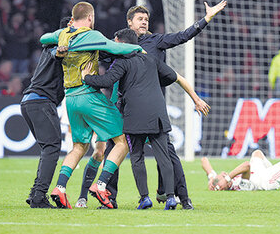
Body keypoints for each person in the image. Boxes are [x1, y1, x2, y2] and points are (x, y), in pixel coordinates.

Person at [103, 0, 226, 209]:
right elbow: (100, 53)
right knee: (112, 149)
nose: (144, 22)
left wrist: (206, 19)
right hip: (125, 106)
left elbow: (183, 36)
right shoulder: (120, 43)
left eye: (146, 19)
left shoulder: (155, 41)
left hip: (151, 107)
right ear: (129, 22)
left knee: (168, 153)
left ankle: (183, 197)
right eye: (140, 19)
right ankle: (110, 199)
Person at [81, 29, 210, 210]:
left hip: (135, 115)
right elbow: (173, 77)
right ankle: (172, 198)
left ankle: (144, 198)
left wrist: (86, 77)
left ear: (122, 44)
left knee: (137, 157)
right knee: (164, 156)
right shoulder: (152, 59)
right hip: (158, 113)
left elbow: (106, 81)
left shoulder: (122, 61)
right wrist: (195, 98)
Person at [40, 2, 143, 209]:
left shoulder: (63, 34)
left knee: (79, 146)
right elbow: (116, 48)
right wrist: (140, 47)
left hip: (70, 99)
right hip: (88, 95)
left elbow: (43, 38)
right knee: (122, 141)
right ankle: (101, 184)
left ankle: (60, 188)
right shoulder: (91, 35)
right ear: (90, 17)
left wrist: (64, 33)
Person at [20, 17, 68, 208]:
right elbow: (56, 53)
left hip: (29, 101)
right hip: (41, 101)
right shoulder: (55, 47)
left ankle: (35, 193)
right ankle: (39, 196)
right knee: (52, 147)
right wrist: (61, 51)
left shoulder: (48, 46)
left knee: (48, 147)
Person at [201, 149, 280, 191]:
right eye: (222, 177)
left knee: (257, 153)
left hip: (257, 173)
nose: (223, 173)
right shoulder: (242, 186)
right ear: (225, 184)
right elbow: (246, 165)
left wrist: (211, 176)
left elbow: (204, 161)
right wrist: (228, 177)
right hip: (268, 179)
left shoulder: (217, 182)